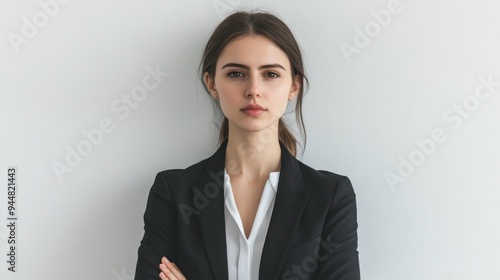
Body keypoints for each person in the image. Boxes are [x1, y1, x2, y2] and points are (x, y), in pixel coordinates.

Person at [134, 10, 360, 280]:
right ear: (211, 83)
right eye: (236, 73)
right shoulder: (173, 193)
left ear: (294, 86)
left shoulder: (331, 196)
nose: (254, 89)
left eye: (271, 74)